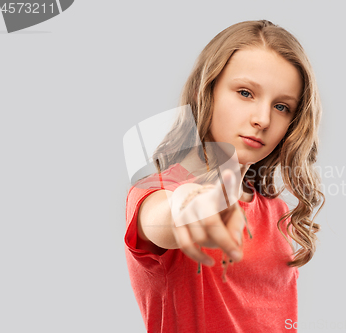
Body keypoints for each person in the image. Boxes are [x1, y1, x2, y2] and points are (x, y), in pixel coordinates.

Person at [124, 20, 325, 333]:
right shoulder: (157, 192)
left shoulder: (278, 214)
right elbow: (163, 222)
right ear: (204, 91)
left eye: (282, 106)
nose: (262, 119)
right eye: (245, 93)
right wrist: (204, 197)